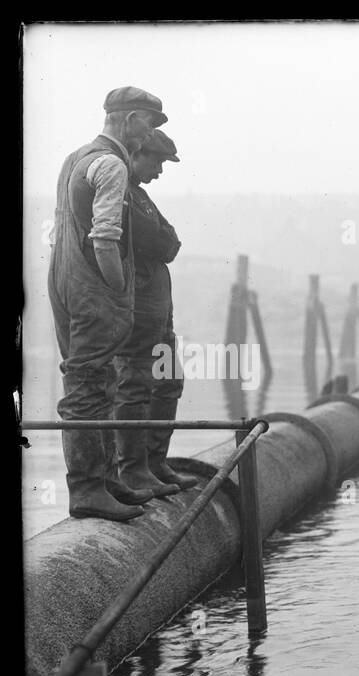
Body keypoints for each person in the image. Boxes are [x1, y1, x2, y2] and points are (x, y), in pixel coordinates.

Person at [49, 87, 167, 521]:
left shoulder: (75, 158)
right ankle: (86, 491)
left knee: (93, 383)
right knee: (87, 386)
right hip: (94, 290)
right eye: (150, 124)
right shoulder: (113, 163)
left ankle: (104, 481)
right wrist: (118, 289)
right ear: (131, 118)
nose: (148, 135)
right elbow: (104, 238)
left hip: (64, 283)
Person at [115, 128, 195, 494]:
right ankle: (133, 469)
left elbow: (170, 241)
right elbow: (163, 242)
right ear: (137, 153)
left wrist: (165, 237)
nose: (160, 170)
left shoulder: (141, 195)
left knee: (167, 383)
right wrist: (165, 237)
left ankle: (154, 462)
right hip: (138, 309)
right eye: (157, 161)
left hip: (158, 313)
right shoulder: (123, 194)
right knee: (135, 384)